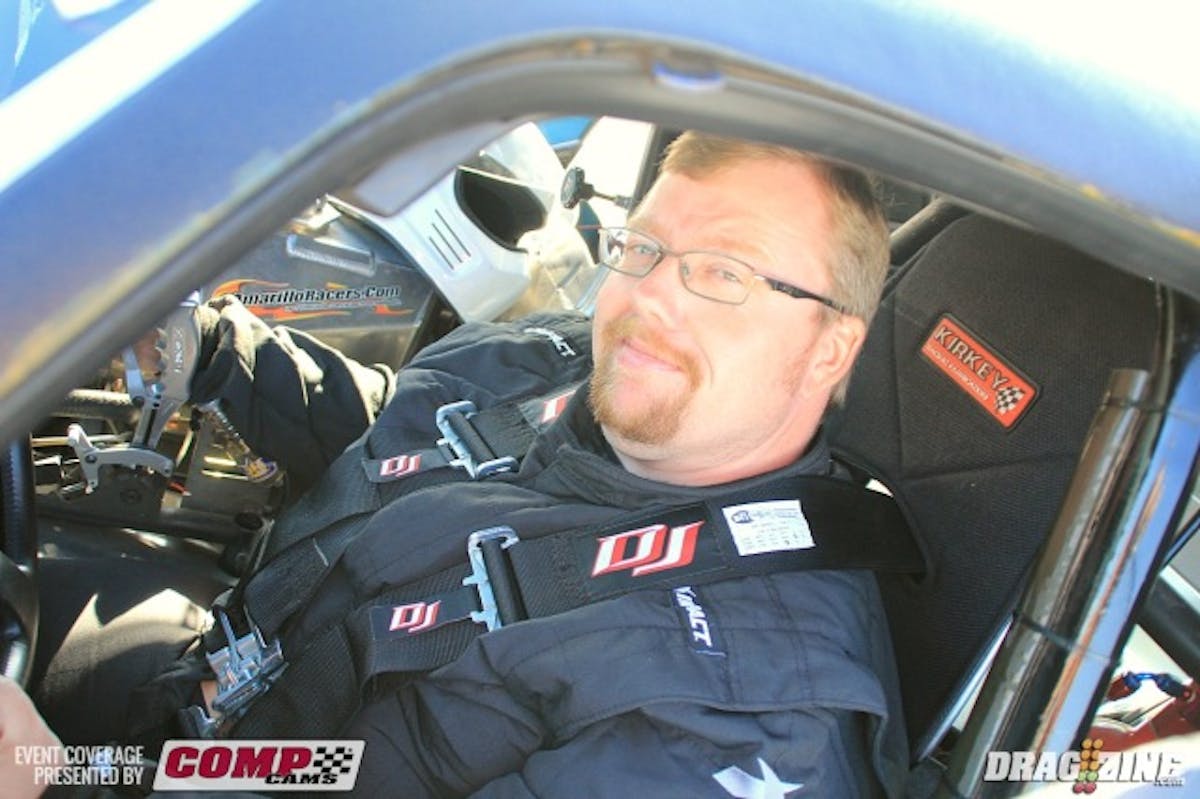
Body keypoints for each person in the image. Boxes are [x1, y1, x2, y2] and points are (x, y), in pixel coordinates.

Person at [2, 131, 903, 797]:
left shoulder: (745, 720)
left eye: (726, 272)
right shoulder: (562, 361)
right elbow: (404, 432)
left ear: (832, 346)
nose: (650, 297)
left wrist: (47, 787)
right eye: (644, 247)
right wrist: (209, 352)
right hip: (192, 717)